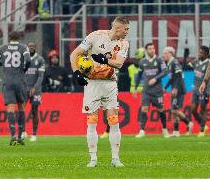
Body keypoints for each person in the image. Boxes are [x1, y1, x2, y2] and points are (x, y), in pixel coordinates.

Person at [70, 16, 129, 167]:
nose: (127, 32)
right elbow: (74, 55)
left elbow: (119, 64)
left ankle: (115, 159)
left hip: (110, 84)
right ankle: (93, 159)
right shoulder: (94, 36)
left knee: (113, 120)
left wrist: (105, 61)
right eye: (126, 29)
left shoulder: (123, 43)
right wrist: (76, 73)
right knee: (92, 121)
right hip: (92, 83)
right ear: (117, 28)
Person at [0, 31, 31, 146]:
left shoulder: (2, 48)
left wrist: (5, 64)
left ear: (9, 38)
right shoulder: (23, 47)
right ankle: (20, 136)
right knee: (21, 107)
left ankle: (13, 136)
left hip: (8, 81)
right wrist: (23, 69)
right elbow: (28, 60)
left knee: (10, 108)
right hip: (20, 80)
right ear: (19, 37)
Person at [100, 47, 145, 139]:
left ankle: (142, 130)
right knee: (110, 111)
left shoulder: (120, 65)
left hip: (141, 91)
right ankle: (109, 130)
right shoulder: (108, 65)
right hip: (122, 91)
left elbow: (123, 79)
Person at [134, 43, 169, 138]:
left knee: (161, 110)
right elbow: (139, 75)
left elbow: (166, 71)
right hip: (146, 91)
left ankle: (165, 130)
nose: (152, 50)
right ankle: (141, 131)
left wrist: (155, 79)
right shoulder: (142, 62)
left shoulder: (159, 60)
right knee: (144, 109)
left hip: (157, 91)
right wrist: (135, 87)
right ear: (146, 50)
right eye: (150, 49)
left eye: (153, 48)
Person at [163, 46, 193, 137]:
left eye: (165, 53)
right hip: (174, 89)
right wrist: (166, 87)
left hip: (179, 90)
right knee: (173, 111)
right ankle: (176, 131)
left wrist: (175, 88)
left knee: (174, 110)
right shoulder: (170, 63)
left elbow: (179, 75)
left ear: (170, 54)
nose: (164, 55)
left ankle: (189, 123)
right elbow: (172, 78)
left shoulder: (174, 62)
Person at [184, 46, 210, 137]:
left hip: (204, 90)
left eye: (202, 53)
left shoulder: (209, 64)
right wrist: (185, 55)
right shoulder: (196, 62)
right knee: (193, 110)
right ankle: (203, 125)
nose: (200, 54)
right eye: (199, 52)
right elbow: (185, 66)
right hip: (195, 90)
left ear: (207, 54)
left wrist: (208, 92)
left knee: (203, 110)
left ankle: (202, 130)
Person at [23, 42, 45, 142]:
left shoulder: (40, 60)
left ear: (35, 48)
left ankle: (34, 134)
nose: (31, 47)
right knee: (21, 109)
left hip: (36, 90)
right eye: (30, 46)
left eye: (33, 46)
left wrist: (34, 88)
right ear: (28, 48)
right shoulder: (23, 59)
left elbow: (41, 76)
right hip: (24, 88)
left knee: (34, 111)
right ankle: (23, 131)